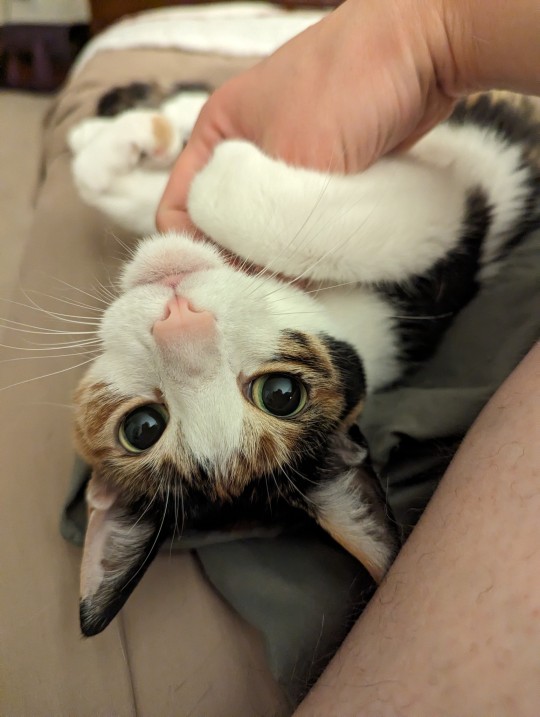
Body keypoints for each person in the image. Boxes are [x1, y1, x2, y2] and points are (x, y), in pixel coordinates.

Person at [156, 0, 540, 713]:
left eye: (148, 424)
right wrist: (427, 31)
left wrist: (429, 33)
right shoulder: (366, 336)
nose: (180, 332)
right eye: (274, 394)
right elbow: (442, 211)